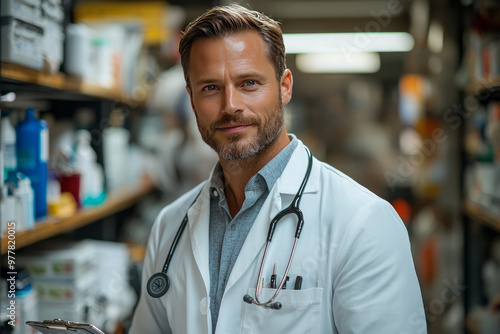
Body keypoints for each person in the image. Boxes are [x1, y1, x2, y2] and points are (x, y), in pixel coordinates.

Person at [129, 4, 426, 333]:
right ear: (192, 98)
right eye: (210, 88)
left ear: (284, 86)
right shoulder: (170, 226)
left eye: (249, 83)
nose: (231, 106)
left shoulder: (362, 223)